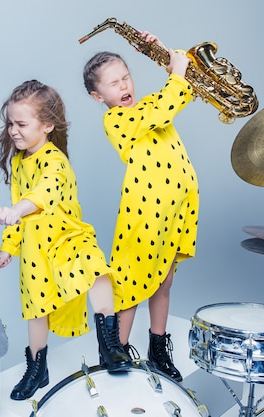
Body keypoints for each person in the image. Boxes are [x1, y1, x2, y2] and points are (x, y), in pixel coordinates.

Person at [0, 80, 132, 401]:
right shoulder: (19, 162)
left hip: (68, 240)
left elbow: (42, 194)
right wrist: (8, 247)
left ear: (47, 125)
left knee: (96, 271)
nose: (13, 130)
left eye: (21, 124)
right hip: (37, 250)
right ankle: (38, 368)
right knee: (37, 309)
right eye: (10, 123)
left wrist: (16, 210)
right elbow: (19, 209)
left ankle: (111, 345)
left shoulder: (56, 161)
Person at [82, 31, 199, 382]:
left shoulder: (148, 105)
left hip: (178, 210)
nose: (123, 86)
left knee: (164, 282)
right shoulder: (117, 120)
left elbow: (185, 85)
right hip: (146, 215)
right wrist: (174, 74)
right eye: (113, 84)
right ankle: (115, 351)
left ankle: (158, 347)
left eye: (126, 77)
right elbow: (169, 102)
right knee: (131, 285)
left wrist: (162, 52)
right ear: (97, 96)